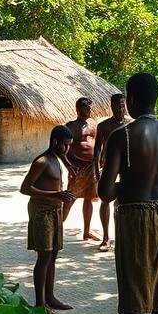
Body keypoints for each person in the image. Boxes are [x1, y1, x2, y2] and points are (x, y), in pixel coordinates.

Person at [98, 73, 158, 314]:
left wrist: (125, 186)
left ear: (131, 99)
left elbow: (104, 192)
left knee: (133, 292)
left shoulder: (121, 136)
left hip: (133, 215)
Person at [20, 125, 77, 312]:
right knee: (44, 256)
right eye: (65, 145)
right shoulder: (42, 161)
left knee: (53, 255)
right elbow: (25, 188)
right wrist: (55, 195)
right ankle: (39, 304)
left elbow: (63, 157)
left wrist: (68, 164)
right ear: (54, 142)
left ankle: (50, 297)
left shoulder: (57, 157)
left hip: (55, 211)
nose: (67, 149)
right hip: (41, 212)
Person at [93, 93, 129, 252]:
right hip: (109, 165)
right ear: (111, 107)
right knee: (105, 199)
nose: (120, 110)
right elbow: (97, 151)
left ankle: (122, 235)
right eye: (117, 107)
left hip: (127, 166)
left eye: (122, 106)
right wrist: (96, 171)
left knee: (124, 200)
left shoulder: (131, 124)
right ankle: (106, 237)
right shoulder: (104, 126)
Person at [65, 97, 100, 240]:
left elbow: (98, 143)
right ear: (78, 110)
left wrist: (99, 160)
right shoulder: (70, 126)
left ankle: (86, 231)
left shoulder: (93, 125)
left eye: (90, 108)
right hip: (76, 167)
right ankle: (57, 227)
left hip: (91, 166)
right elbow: (63, 148)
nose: (89, 111)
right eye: (86, 108)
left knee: (89, 197)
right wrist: (69, 165)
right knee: (70, 198)